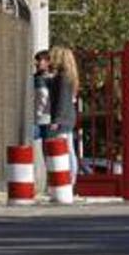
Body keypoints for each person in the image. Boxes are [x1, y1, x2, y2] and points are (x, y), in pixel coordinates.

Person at [47, 46, 79, 188]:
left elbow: (61, 100)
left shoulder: (62, 78)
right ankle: (71, 179)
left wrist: (56, 120)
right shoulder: (69, 76)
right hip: (68, 117)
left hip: (63, 118)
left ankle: (69, 180)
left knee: (66, 150)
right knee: (69, 148)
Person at [33, 50, 53, 140]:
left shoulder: (53, 79)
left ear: (48, 62)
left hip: (48, 120)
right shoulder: (34, 78)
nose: (36, 63)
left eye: (39, 60)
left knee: (48, 151)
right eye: (36, 60)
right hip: (35, 120)